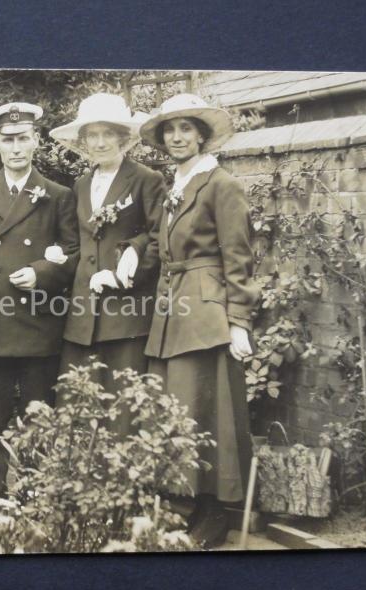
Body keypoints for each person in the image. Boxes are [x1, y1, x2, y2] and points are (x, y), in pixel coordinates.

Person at [139, 93, 260, 547]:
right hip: (174, 310)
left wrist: (239, 321)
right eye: (169, 131)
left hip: (206, 313)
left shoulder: (220, 183)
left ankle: (215, 512)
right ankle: (185, 505)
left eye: (186, 129)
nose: (176, 137)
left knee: (209, 413)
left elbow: (239, 256)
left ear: (201, 136)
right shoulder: (178, 185)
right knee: (179, 410)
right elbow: (160, 247)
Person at [0, 102, 80, 498]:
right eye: (8, 140)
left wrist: (41, 272)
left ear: (36, 141)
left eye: (23, 138)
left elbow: (73, 254)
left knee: (40, 417)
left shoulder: (58, 195)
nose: (17, 147)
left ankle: (38, 495)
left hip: (39, 324)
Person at [49, 92, 165, 434]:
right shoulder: (80, 185)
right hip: (82, 316)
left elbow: (160, 238)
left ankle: (121, 486)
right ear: (83, 141)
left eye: (107, 134)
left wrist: (125, 268)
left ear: (123, 137)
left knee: (121, 410)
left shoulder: (146, 179)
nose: (99, 143)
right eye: (92, 136)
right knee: (78, 408)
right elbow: (77, 244)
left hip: (125, 315)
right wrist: (54, 257)